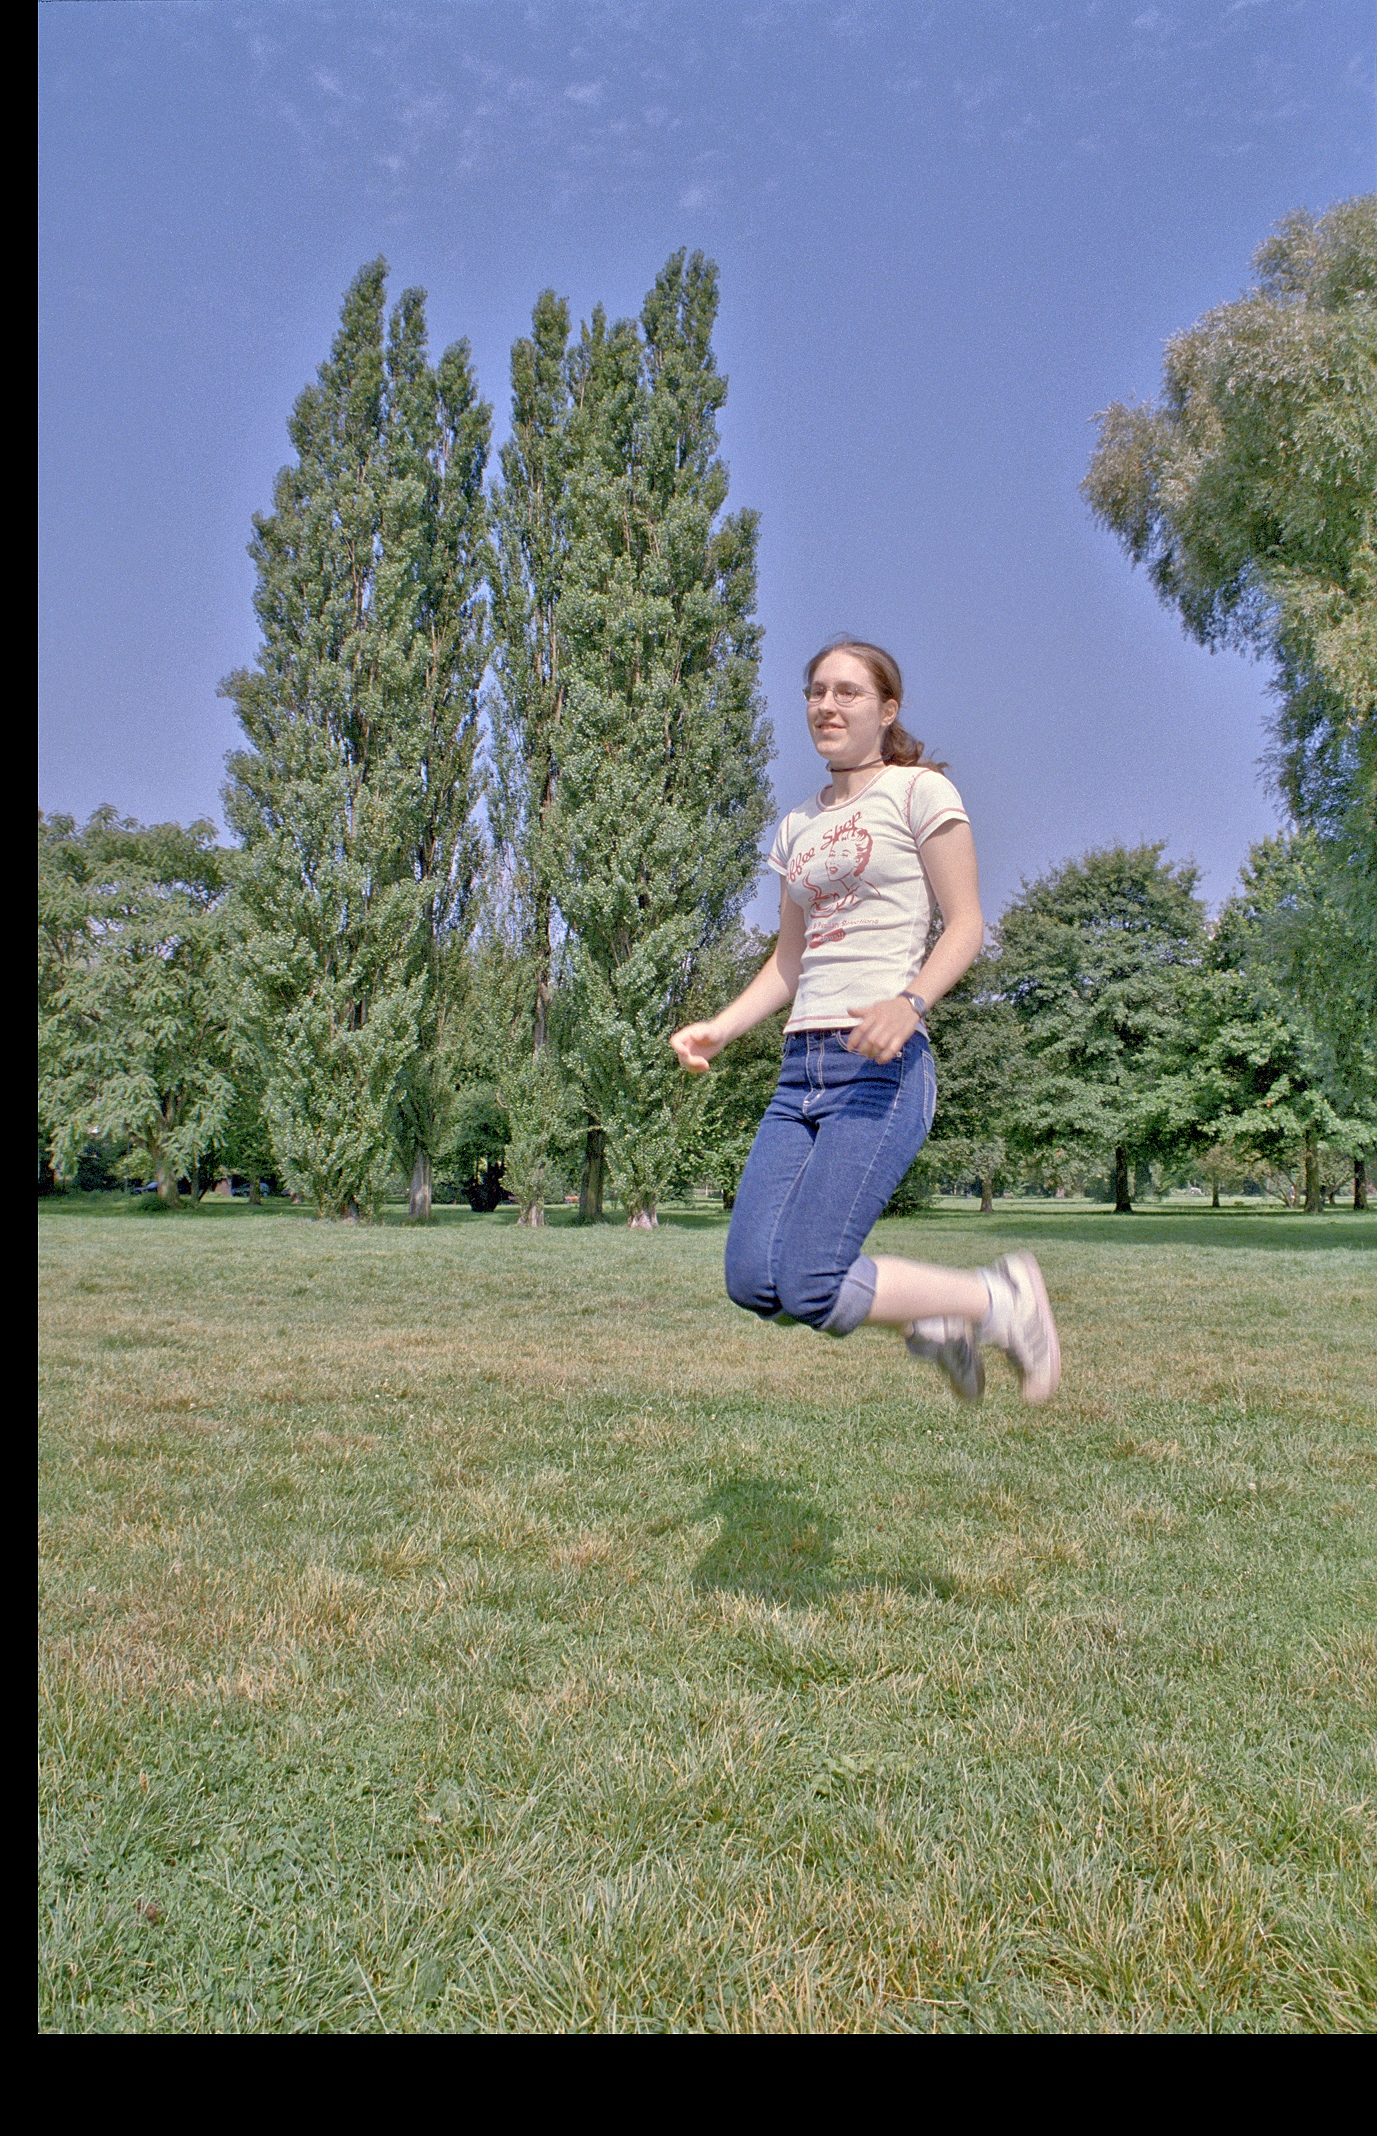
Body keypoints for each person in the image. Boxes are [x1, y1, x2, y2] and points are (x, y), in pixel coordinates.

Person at [670, 637, 1059, 1405]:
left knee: (810, 1283)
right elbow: (789, 959)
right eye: (816, 691)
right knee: (753, 1281)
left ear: (886, 710)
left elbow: (966, 924)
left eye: (847, 691)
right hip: (799, 1071)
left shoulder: (918, 793)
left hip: (880, 1065)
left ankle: (998, 1300)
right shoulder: (796, 826)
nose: (826, 704)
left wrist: (908, 1004)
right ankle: (942, 1318)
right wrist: (722, 1026)